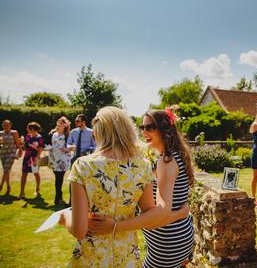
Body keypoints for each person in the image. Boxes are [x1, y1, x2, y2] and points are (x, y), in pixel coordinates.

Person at [60, 106, 188, 267]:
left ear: (98, 132)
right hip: (127, 257)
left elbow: (79, 230)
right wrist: (182, 213)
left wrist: (65, 215)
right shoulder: (143, 165)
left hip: (92, 256)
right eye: (142, 127)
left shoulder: (82, 166)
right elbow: (152, 213)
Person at [47, 116, 71, 205]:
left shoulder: (68, 135)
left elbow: (72, 145)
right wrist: (49, 148)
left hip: (64, 159)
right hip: (54, 158)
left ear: (65, 125)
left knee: (59, 179)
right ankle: (59, 197)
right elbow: (49, 144)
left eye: (61, 123)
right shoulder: (53, 133)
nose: (59, 124)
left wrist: (66, 149)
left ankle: (58, 198)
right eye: (58, 122)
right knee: (58, 178)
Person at [20, 122, 44, 198]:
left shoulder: (39, 138)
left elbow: (40, 148)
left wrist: (37, 158)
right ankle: (22, 192)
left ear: (32, 129)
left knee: (36, 173)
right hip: (26, 157)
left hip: (34, 158)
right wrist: (22, 142)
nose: (27, 129)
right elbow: (25, 147)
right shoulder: (27, 136)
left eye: (28, 128)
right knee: (24, 174)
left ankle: (37, 190)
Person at [0, 120, 23, 194]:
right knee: (6, 171)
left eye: (7, 125)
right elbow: (1, 145)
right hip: (3, 153)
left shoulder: (14, 132)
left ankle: (1, 186)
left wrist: (20, 150)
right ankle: (8, 186)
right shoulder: (0, 133)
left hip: (12, 153)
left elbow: (17, 142)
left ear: (10, 125)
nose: (6, 126)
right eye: (4, 125)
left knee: (6, 170)